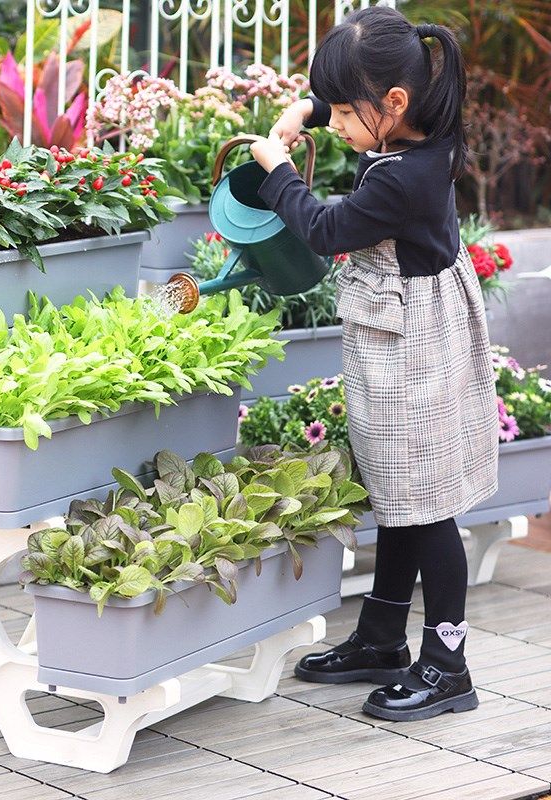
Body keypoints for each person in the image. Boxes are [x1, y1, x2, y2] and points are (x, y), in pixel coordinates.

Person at [249, 5, 499, 722]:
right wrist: (310, 106)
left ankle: (448, 666)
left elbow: (326, 228)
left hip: (414, 337)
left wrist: (279, 169)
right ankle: (384, 638)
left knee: (426, 508)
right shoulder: (422, 131)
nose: (334, 125)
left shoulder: (404, 178)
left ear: (393, 104)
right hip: (396, 327)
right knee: (398, 487)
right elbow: (350, 105)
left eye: (342, 115)